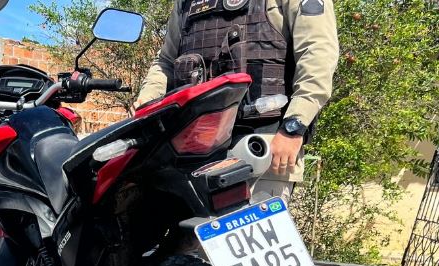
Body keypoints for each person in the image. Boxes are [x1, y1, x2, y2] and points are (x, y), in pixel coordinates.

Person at [135, 0, 339, 200]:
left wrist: (294, 127)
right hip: (187, 153)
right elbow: (165, 63)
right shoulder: (186, 3)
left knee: (256, 231)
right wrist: (143, 109)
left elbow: (317, 56)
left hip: (261, 149)